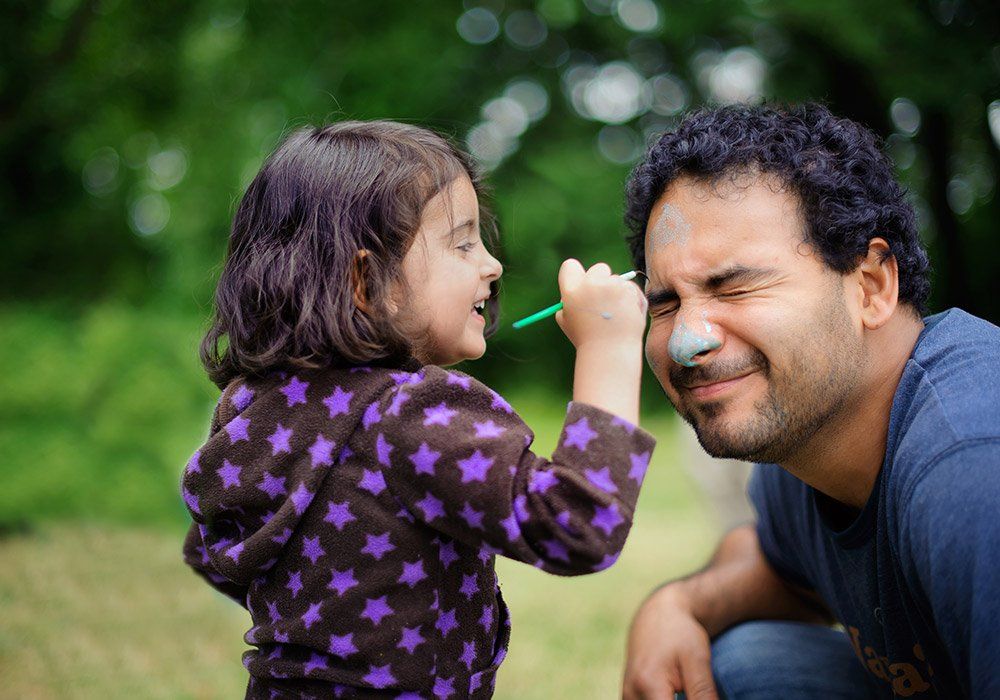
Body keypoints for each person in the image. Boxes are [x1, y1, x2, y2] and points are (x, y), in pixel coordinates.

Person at [180, 120, 654, 698]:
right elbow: (580, 524)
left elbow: (212, 550)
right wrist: (608, 345)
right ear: (367, 281)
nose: (492, 264)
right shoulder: (409, 415)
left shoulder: (252, 407)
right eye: (462, 243)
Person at [619, 104, 1000, 699]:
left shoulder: (972, 469)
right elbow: (778, 566)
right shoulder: (815, 430)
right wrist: (677, 605)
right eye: (665, 304)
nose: (688, 341)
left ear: (871, 286)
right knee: (744, 663)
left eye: (735, 286)